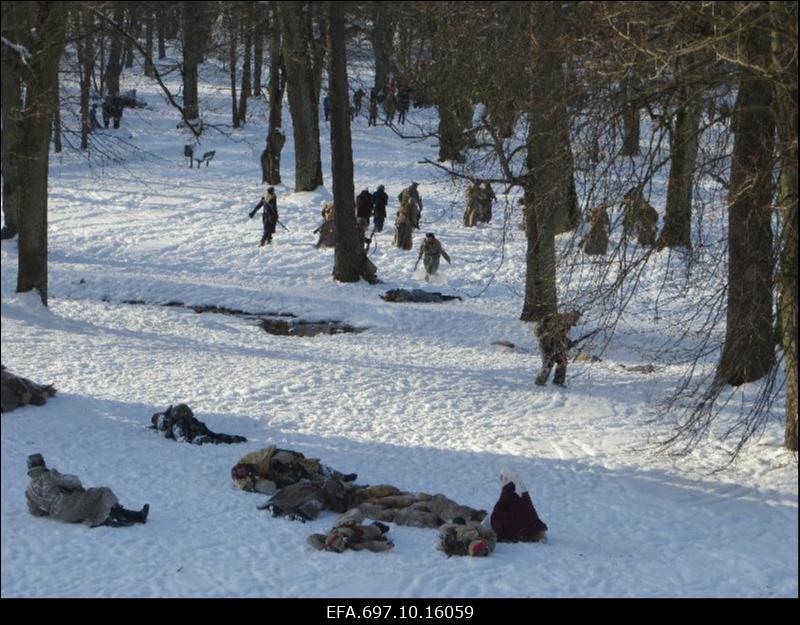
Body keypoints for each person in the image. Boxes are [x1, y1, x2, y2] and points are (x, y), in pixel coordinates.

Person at [25, 454, 149, 528]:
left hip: (61, 516)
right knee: (103, 492)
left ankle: (124, 516)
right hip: (70, 505)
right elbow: (74, 481)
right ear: (42, 463)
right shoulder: (49, 475)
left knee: (90, 502)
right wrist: (75, 490)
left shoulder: (29, 490)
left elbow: (35, 511)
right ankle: (129, 516)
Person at [231, 445, 357, 495]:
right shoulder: (243, 481)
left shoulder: (249, 459)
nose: (242, 471)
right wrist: (255, 480)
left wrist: (291, 453)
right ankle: (342, 487)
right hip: (279, 479)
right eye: (241, 474)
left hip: (283, 465)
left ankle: (342, 477)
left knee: (313, 467)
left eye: (241, 469)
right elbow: (245, 486)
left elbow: (271, 450)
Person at [490, 468, 548, 543]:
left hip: (517, 524)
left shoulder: (509, 488)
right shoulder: (521, 488)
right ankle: (536, 534)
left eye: (502, 477)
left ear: (506, 477)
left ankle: (515, 535)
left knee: (494, 517)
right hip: (531, 522)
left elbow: (499, 507)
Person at [150, 403, 247, 445]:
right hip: (193, 435)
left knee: (211, 435)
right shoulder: (175, 424)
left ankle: (231, 439)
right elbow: (183, 440)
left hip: (195, 431)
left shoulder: (191, 422)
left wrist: (230, 438)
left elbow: (212, 434)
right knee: (211, 436)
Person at [308, 509, 393, 553]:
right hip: (358, 530)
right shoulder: (352, 542)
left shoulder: (329, 539)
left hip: (344, 523)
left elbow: (311, 538)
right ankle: (380, 527)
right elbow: (368, 544)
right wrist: (384, 545)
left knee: (358, 512)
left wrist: (323, 547)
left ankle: (379, 527)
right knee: (377, 528)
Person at [534, 310, 581, 386]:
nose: (572, 323)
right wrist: (567, 343)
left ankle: (558, 381)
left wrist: (569, 343)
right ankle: (540, 382)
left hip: (555, 343)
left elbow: (561, 336)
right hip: (546, 343)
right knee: (548, 362)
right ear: (571, 317)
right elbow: (554, 335)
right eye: (574, 320)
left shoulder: (566, 324)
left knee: (562, 361)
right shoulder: (558, 321)